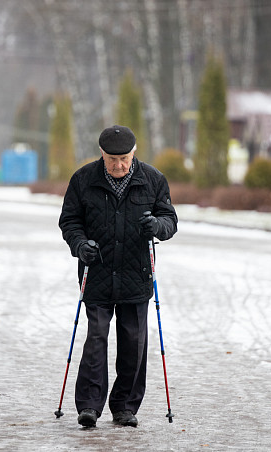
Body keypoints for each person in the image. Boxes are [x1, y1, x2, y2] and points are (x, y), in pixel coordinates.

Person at [58, 125, 178, 428]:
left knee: (134, 342)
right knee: (96, 338)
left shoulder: (152, 180)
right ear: (102, 154)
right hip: (96, 272)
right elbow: (70, 221)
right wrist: (80, 244)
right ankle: (88, 406)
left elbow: (170, 221)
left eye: (124, 158)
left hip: (136, 274)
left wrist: (157, 227)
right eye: (112, 159)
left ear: (134, 153)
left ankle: (125, 407)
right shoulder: (83, 179)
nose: (118, 165)